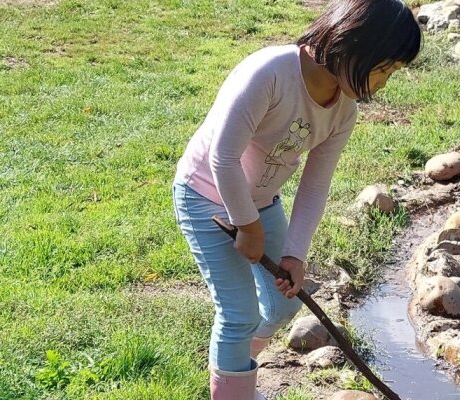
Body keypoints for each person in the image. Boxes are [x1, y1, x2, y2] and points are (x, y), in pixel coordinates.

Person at [171, 1, 421, 398]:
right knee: (238, 316)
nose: (383, 83)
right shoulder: (270, 73)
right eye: (383, 68)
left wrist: (295, 254)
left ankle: (235, 375)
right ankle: (234, 388)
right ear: (353, 43)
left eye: (392, 73)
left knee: (284, 305)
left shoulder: (343, 111)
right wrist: (247, 225)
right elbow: (223, 157)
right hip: (206, 197)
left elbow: (314, 185)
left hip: (262, 202)